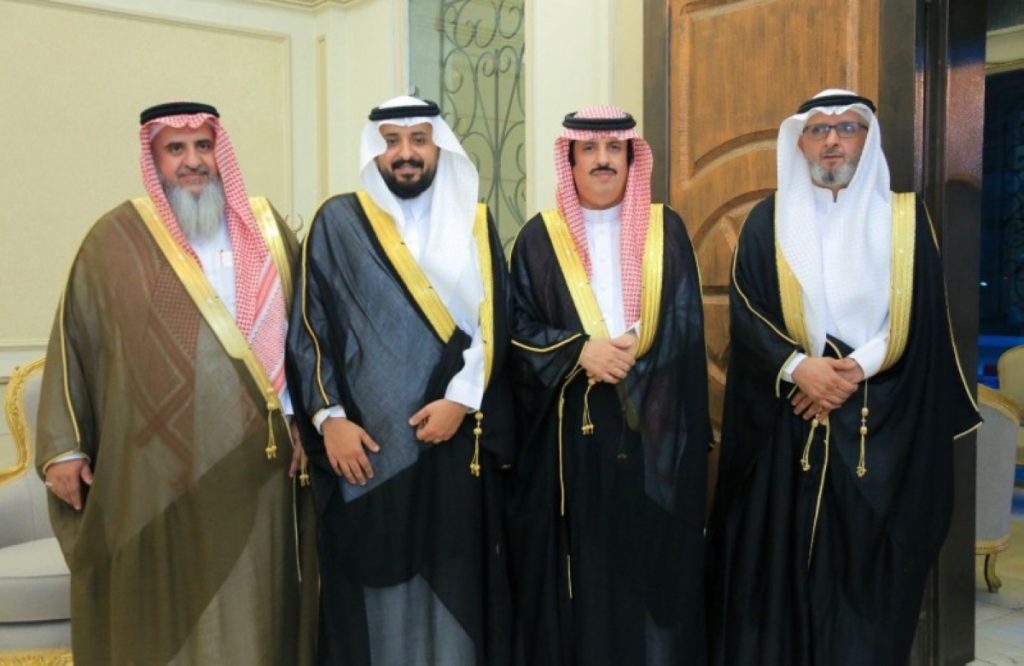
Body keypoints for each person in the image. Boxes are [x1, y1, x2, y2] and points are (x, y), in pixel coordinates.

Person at [706, 89, 981, 665]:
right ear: (800, 142)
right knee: (779, 570)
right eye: (819, 129)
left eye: (847, 128)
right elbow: (747, 313)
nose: (832, 140)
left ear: (867, 139)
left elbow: (919, 318)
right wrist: (799, 368)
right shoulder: (766, 222)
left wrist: (853, 369)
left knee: (866, 576)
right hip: (787, 426)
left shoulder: (904, 222)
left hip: (879, 424)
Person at [35, 101, 316, 664]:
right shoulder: (114, 241)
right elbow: (74, 339)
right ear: (153, 157)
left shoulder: (265, 231)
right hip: (158, 467)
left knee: (258, 600)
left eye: (203, 146)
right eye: (175, 149)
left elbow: (307, 335)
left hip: (264, 460)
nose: (193, 161)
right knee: (171, 598)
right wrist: (64, 448)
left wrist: (307, 421)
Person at [288, 95, 514, 665]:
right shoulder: (338, 222)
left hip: (454, 440)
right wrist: (330, 419)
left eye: (418, 140)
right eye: (391, 141)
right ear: (376, 150)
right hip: (367, 449)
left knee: (455, 577)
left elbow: (495, 322)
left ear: (439, 146)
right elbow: (310, 327)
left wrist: (461, 400)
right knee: (374, 589)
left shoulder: (474, 222)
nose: (405, 153)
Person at [506, 105, 711, 665]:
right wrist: (579, 351)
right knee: (585, 567)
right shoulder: (539, 238)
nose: (603, 160)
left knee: (652, 565)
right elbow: (516, 330)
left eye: (614, 149)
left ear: (630, 158)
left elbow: (687, 319)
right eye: (590, 150)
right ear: (570, 160)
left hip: (654, 433)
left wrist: (639, 344)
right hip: (573, 436)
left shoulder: (666, 230)